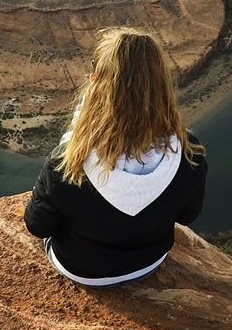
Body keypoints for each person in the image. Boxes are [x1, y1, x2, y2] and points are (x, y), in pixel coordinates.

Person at [24, 27, 208, 287]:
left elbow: (37, 226)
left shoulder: (67, 164)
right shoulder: (189, 153)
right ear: (161, 85)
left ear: (95, 82)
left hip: (81, 269)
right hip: (149, 262)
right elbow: (187, 216)